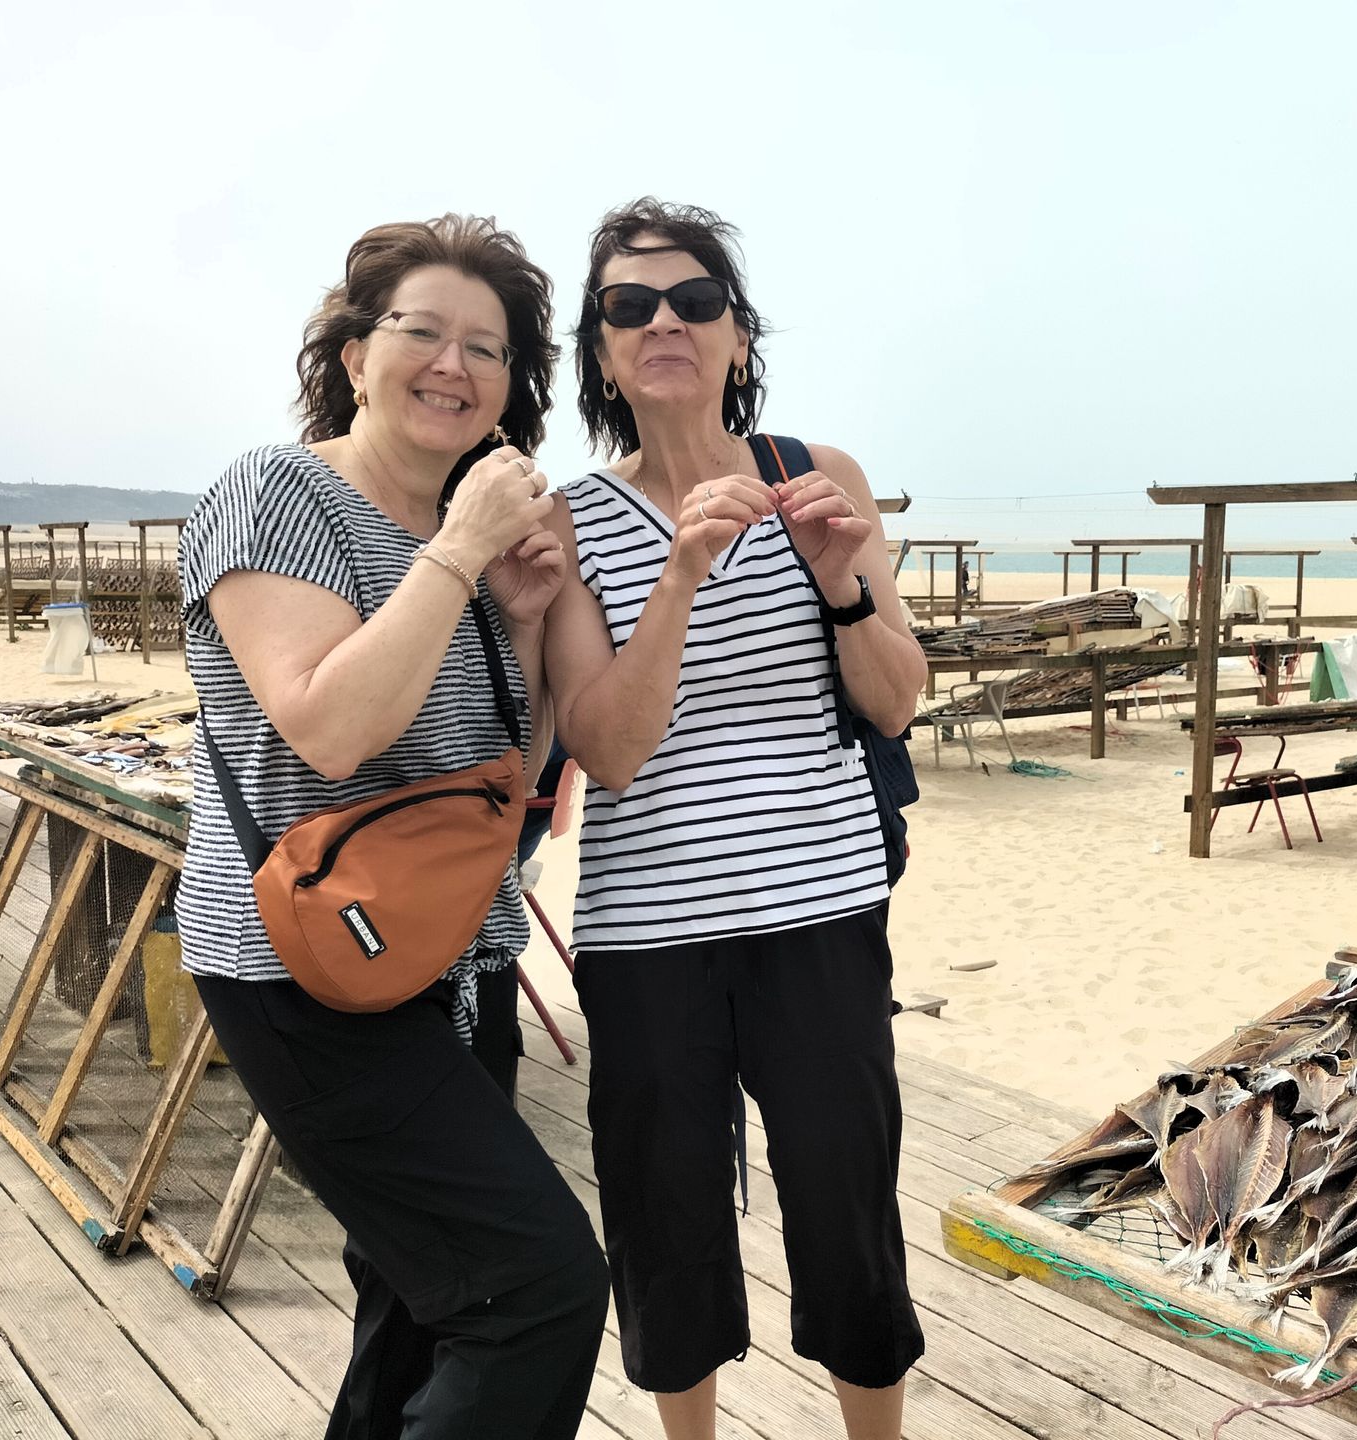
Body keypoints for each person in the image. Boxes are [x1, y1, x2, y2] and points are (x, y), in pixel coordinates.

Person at [177, 214, 607, 1440]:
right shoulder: (279, 492)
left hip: (447, 961)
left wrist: (518, 614)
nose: (456, 365)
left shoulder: (456, 544)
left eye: (492, 347)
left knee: (421, 1303)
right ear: (355, 352)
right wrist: (465, 550)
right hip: (298, 967)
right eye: (423, 331)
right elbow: (328, 729)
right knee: (535, 1288)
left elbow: (501, 793)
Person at [543, 198, 927, 1440]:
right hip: (648, 928)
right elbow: (606, 748)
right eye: (629, 306)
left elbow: (896, 699)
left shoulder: (818, 476)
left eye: (696, 300)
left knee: (845, 1200)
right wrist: (679, 577)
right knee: (664, 1214)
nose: (666, 322)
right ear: (601, 352)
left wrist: (841, 584)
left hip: (821, 905)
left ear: (737, 335)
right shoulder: (570, 519)